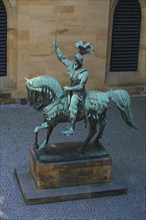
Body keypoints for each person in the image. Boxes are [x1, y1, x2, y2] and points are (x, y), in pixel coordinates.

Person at [54, 38, 90, 136]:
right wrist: (56, 48)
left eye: (77, 61)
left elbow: (80, 87)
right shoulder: (71, 65)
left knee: (72, 108)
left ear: (80, 62)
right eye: (75, 60)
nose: (75, 62)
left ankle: (71, 128)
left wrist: (69, 88)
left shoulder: (84, 73)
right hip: (69, 89)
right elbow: (62, 58)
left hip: (77, 93)